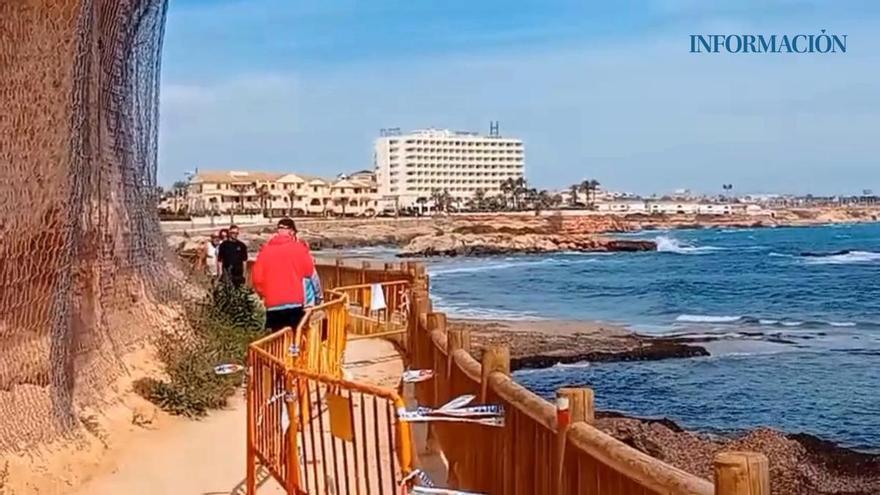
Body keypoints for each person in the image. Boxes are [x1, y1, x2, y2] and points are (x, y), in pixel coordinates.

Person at [251, 218, 317, 332]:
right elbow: (309, 271)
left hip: (273, 303)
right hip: (294, 301)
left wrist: (263, 293)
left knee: (277, 340)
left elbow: (257, 278)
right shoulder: (299, 248)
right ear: (291, 232)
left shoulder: (265, 251)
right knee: (295, 337)